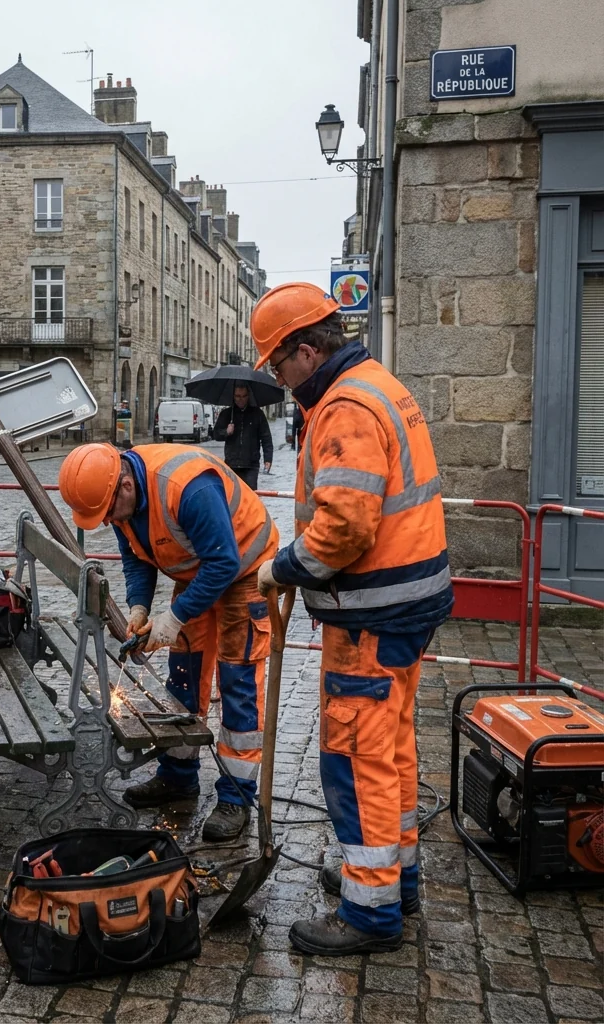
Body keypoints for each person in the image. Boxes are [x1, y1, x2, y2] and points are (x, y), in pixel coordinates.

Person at [250, 282, 454, 957]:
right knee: (392, 749)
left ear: (307, 351)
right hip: (404, 607)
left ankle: (370, 910)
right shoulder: (376, 384)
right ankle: (397, 877)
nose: (278, 382)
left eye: (278, 367)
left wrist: (283, 568)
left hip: (374, 614)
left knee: (357, 756)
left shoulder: (345, 408)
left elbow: (344, 525)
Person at [58, 442, 279, 841]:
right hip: (200, 572)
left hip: (245, 570)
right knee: (184, 675)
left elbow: (224, 562)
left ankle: (236, 797)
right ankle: (178, 776)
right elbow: (136, 558)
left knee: (238, 683)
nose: (109, 522)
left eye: (108, 512)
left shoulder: (187, 487)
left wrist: (175, 617)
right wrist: (140, 609)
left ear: (125, 486)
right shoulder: (119, 496)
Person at [211, 384, 273, 491]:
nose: (241, 399)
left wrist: (268, 459)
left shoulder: (257, 414)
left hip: (251, 464)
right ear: (233, 396)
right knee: (233, 495)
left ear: (248, 396)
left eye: (244, 396)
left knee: (250, 496)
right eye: (238, 396)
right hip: (232, 464)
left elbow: (266, 437)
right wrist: (226, 432)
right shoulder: (226, 414)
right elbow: (215, 434)